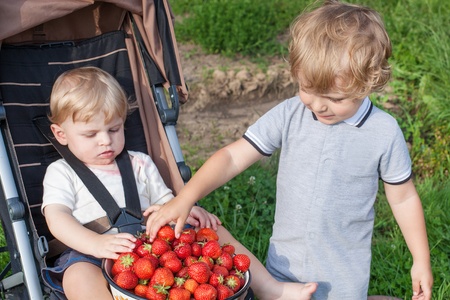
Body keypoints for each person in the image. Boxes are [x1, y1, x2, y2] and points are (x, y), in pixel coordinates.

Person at [145, 1, 433, 299]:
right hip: (283, 268)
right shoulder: (291, 113)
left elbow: (403, 198)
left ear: (368, 83)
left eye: (334, 98)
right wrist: (186, 197)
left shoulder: (383, 132)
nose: (319, 105)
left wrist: (421, 260)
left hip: (344, 278)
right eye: (307, 88)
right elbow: (232, 157)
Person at [41, 66, 221, 300]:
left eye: (114, 129)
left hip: (150, 248)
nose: (106, 140)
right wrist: (95, 243)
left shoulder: (140, 163)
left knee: (200, 247)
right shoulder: (61, 172)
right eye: (91, 134)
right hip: (91, 253)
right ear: (61, 134)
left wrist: (186, 210)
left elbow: (167, 204)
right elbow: (57, 218)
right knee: (78, 276)